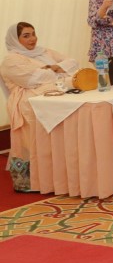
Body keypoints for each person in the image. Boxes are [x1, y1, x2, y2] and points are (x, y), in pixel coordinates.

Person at [3, 22, 77, 192]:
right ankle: (38, 177)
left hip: (48, 92)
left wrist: (54, 68)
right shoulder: (11, 60)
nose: (32, 39)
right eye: (26, 36)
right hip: (27, 101)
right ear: (15, 39)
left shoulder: (44, 51)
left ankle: (62, 173)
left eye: (33, 34)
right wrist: (58, 71)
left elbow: (73, 63)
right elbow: (32, 80)